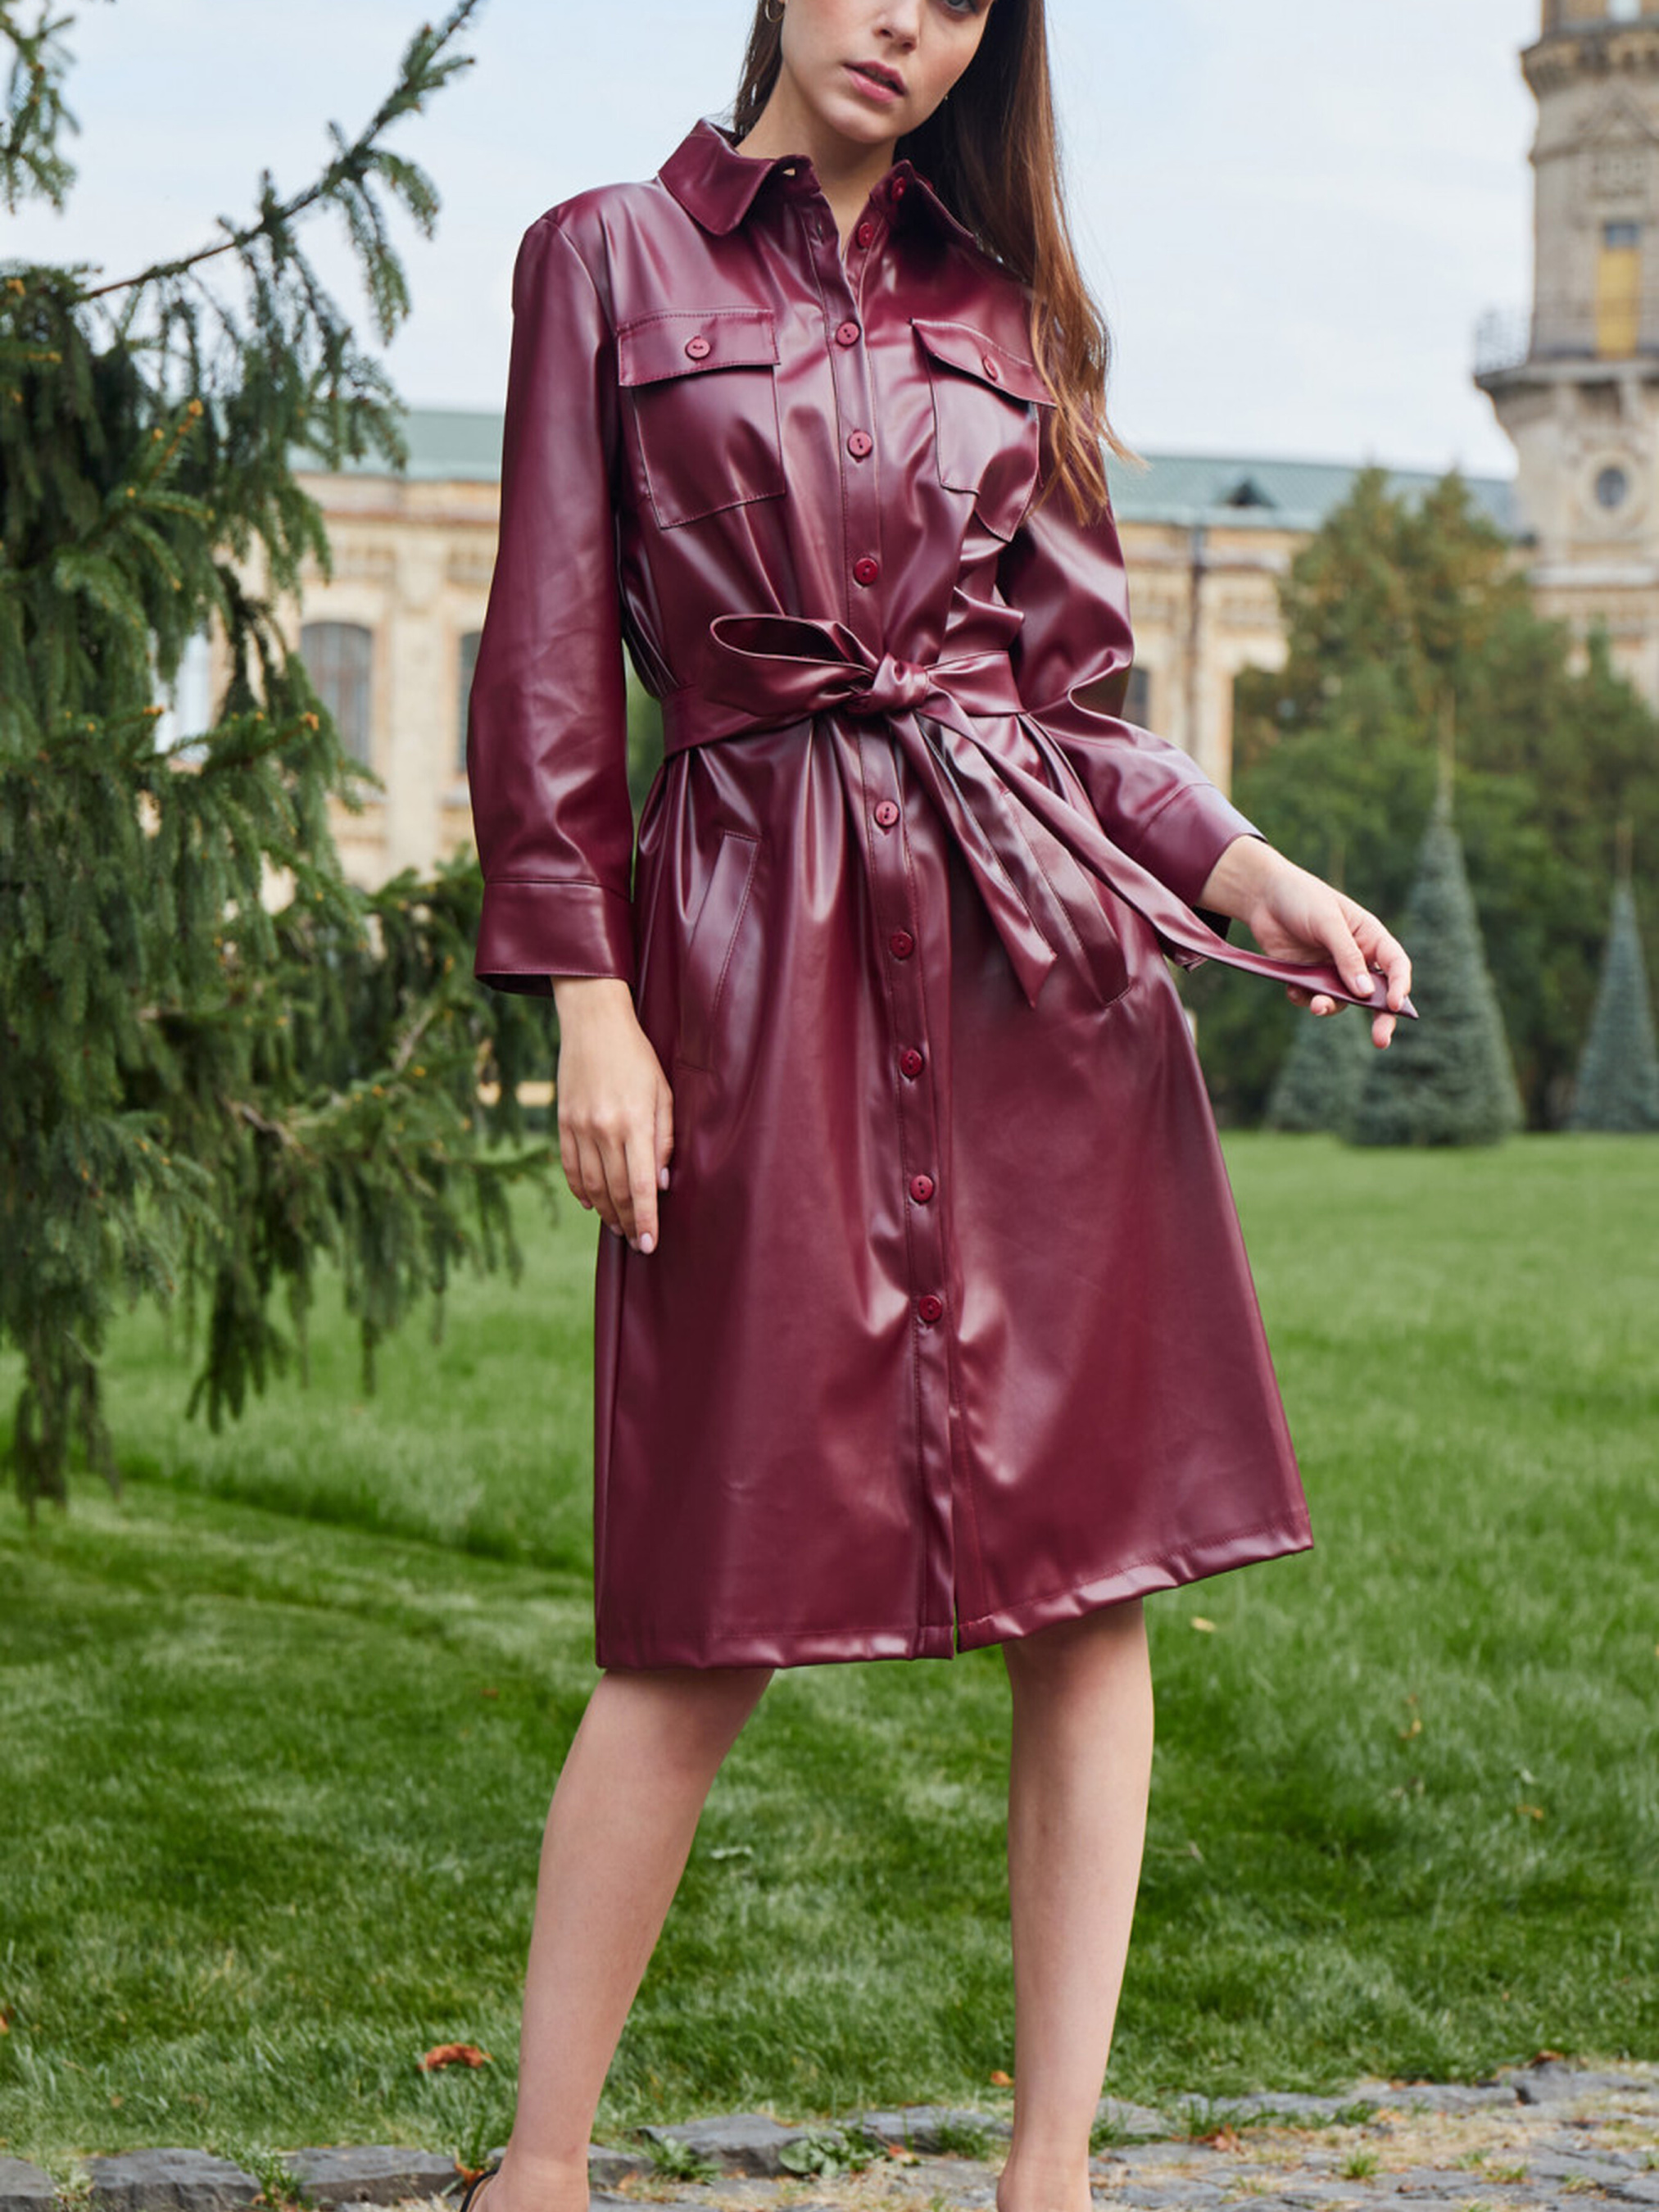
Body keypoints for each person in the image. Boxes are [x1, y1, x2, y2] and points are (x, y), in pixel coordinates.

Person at [462, 5, 1413, 2212]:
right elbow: (545, 659)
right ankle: (543, 2163)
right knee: (701, 1598)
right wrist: (589, 1003)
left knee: (1093, 1588)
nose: (907, 19)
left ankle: (1048, 2171)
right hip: (744, 957)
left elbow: (1077, 710)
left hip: (1040, 972)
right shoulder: (603, 257)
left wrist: (1254, 875)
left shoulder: (1016, 312)